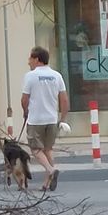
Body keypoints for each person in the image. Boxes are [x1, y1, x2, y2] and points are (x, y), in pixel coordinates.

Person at [21, 46, 69, 191]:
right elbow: (64, 100)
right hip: (51, 119)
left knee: (35, 149)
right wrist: (63, 118)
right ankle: (46, 183)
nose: (28, 62)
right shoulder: (57, 76)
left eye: (30, 59)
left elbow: (24, 99)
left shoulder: (30, 76)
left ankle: (50, 170)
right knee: (48, 149)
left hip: (36, 119)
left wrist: (25, 111)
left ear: (37, 59)